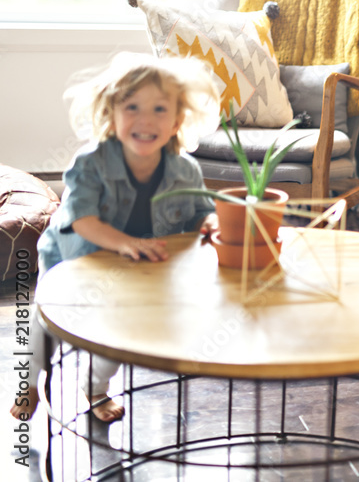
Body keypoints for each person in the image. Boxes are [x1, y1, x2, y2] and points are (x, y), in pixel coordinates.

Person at [10, 52, 221, 423]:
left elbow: (199, 212)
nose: (145, 119)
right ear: (111, 115)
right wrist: (126, 242)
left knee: (113, 335)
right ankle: (29, 382)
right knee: (48, 326)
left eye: (159, 109)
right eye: (132, 107)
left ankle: (95, 390)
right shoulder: (90, 163)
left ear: (177, 121)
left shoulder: (184, 170)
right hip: (74, 260)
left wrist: (210, 223)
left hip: (139, 269)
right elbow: (82, 221)